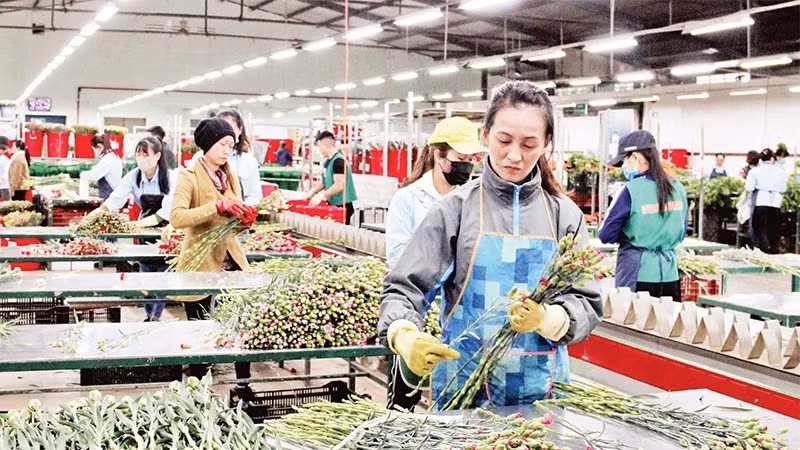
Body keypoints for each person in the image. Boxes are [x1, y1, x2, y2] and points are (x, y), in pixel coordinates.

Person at [378, 81, 602, 410]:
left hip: (541, 394)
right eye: (504, 140)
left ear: (546, 144)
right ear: (486, 135)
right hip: (463, 386)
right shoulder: (455, 210)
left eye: (529, 144)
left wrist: (548, 318)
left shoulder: (563, 216)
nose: (515, 155)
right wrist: (403, 333)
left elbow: (586, 301)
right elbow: (405, 287)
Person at [384, 116, 482, 410]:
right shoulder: (408, 199)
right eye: (460, 158)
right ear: (439, 156)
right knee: (404, 403)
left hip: (459, 318)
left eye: (472, 159)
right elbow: (398, 258)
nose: (467, 166)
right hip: (419, 312)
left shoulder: (474, 200)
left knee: (454, 403)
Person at [170, 117, 258, 396]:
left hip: (232, 261)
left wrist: (245, 220)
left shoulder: (230, 175)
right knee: (200, 330)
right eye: (222, 144)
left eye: (231, 145)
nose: (227, 151)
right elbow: (177, 218)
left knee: (241, 323)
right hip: (201, 262)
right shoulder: (189, 176)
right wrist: (215, 207)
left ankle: (243, 386)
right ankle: (198, 390)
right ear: (208, 144)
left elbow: (233, 221)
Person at [598, 131, 689, 302]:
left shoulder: (630, 190)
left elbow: (606, 234)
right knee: (667, 317)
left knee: (634, 317)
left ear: (635, 157)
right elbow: (683, 231)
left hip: (637, 272)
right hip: (669, 273)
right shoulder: (678, 188)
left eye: (625, 161)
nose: (624, 166)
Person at [94, 137, 176, 321]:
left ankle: (156, 315)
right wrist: (97, 213)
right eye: (138, 154)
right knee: (145, 274)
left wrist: (137, 224)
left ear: (157, 156)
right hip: (144, 233)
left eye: (145, 154)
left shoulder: (171, 177)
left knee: (163, 275)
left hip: (166, 231)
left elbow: (166, 211)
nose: (141, 158)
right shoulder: (134, 176)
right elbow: (116, 198)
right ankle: (149, 314)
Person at [190, 110, 263, 206]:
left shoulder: (248, 161)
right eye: (220, 130)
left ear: (240, 130)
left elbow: (254, 195)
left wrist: (242, 208)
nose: (225, 133)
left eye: (230, 128)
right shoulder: (199, 158)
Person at [305, 131, 358, 224]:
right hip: (333, 204)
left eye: (320, 147)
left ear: (325, 145)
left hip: (342, 206)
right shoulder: (328, 161)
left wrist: (322, 195)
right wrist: (312, 192)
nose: (319, 150)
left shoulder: (339, 161)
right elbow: (324, 181)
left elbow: (339, 185)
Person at [746, 148, 788, 254]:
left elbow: (749, 188)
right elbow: (784, 189)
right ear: (772, 158)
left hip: (761, 200)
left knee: (760, 229)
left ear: (761, 159)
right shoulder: (781, 171)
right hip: (776, 202)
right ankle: (773, 251)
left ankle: (761, 251)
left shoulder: (754, 171)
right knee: (773, 229)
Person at [81, 135, 123, 201]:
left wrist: (83, 174)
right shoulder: (113, 156)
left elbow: (94, 175)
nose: (94, 152)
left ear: (99, 146)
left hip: (109, 196)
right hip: (112, 194)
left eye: (94, 149)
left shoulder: (108, 159)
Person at [0, 137, 11, 201]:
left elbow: (7, 172)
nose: (2, 151)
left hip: (4, 187)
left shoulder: (6, 160)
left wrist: (2, 179)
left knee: (6, 205)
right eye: (1, 148)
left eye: (4, 149)